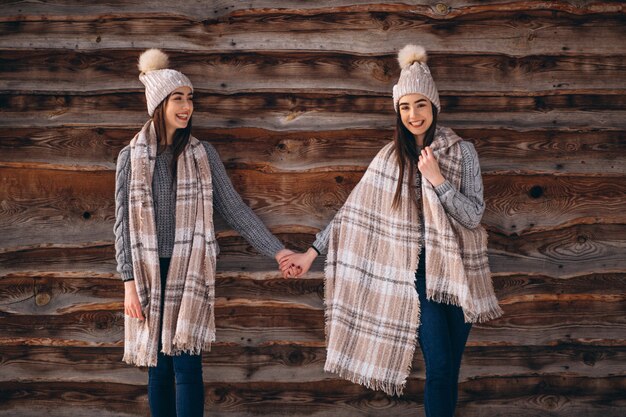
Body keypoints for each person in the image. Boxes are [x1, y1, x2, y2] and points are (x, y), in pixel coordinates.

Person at [282, 45, 503, 417]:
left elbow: (473, 216)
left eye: (420, 105)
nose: (413, 115)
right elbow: (351, 213)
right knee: (440, 366)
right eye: (404, 107)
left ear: (434, 106)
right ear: (397, 112)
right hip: (417, 275)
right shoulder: (389, 159)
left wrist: (437, 180)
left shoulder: (463, 153)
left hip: (459, 270)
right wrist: (311, 253)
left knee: (451, 370)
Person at [114, 48, 294, 417]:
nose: (186, 106)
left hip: (189, 271)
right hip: (148, 274)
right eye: (177, 98)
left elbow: (234, 209)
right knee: (158, 369)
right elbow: (121, 225)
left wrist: (277, 251)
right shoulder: (129, 158)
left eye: (190, 98)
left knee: (187, 366)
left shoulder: (203, 154)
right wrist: (128, 283)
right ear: (159, 103)